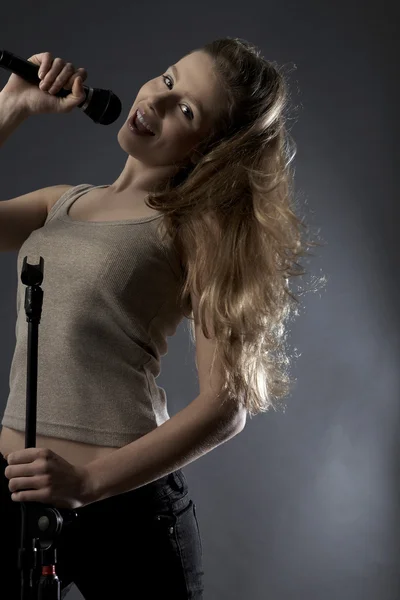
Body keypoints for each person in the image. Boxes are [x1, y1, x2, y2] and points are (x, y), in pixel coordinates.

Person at [0, 37, 324, 599]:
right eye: (169, 80)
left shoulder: (197, 231)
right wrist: (12, 108)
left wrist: (88, 483)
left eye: (188, 110)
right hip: (18, 491)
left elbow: (227, 406)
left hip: (125, 511)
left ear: (209, 149)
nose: (158, 100)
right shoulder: (60, 203)